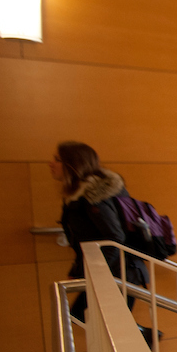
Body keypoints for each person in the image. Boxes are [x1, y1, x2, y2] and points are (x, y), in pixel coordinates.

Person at [52, 141, 150, 334]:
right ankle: (143, 336)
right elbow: (84, 240)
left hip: (122, 271)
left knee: (93, 319)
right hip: (114, 270)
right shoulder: (80, 196)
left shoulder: (93, 196)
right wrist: (78, 269)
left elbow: (114, 237)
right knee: (87, 317)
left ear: (73, 164)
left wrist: (98, 272)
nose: (51, 164)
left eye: (57, 160)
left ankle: (144, 336)